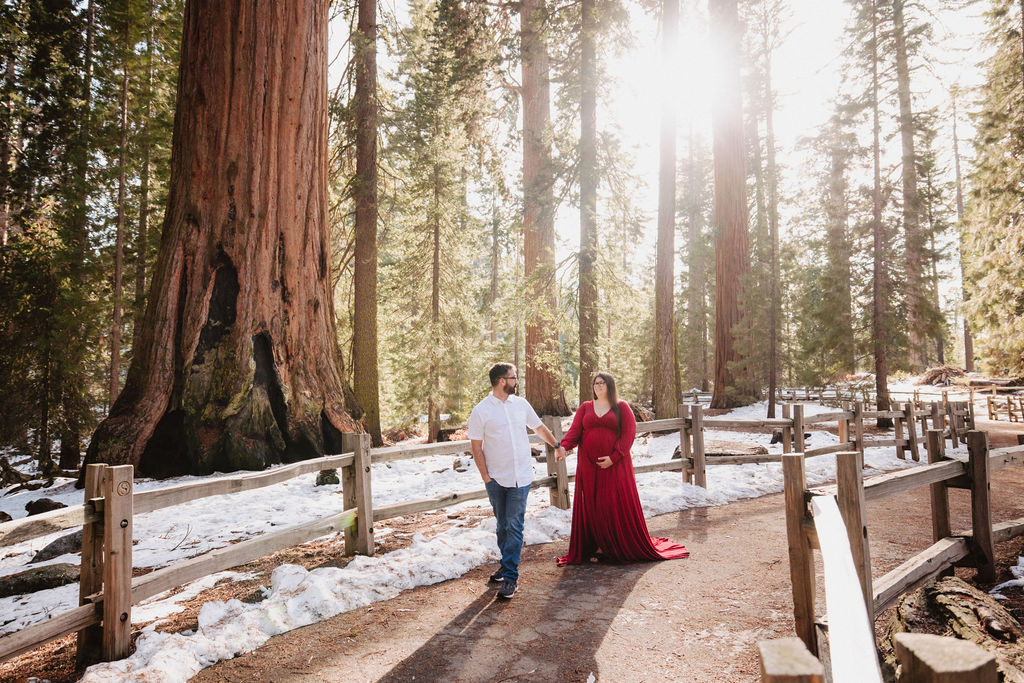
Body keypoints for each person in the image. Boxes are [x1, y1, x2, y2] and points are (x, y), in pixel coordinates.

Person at [555, 371, 689, 566]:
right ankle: (596, 544)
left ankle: (610, 545)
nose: (598, 386)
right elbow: (575, 432)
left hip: (614, 466)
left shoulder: (621, 407)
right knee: (593, 505)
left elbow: (628, 434)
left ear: (610, 385)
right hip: (589, 466)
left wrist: (614, 457)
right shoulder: (585, 408)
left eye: (602, 383)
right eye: (596, 383)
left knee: (610, 504)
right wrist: (564, 448)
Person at [468, 362, 564, 599]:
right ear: (502, 381)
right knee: (502, 525)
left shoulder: (521, 404)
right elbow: (476, 447)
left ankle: (511, 577)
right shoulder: (481, 411)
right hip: (496, 479)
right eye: (514, 378)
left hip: (521, 477)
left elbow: (539, 428)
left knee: (513, 524)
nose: (517, 381)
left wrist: (557, 445)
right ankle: (506, 563)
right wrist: (486, 477)